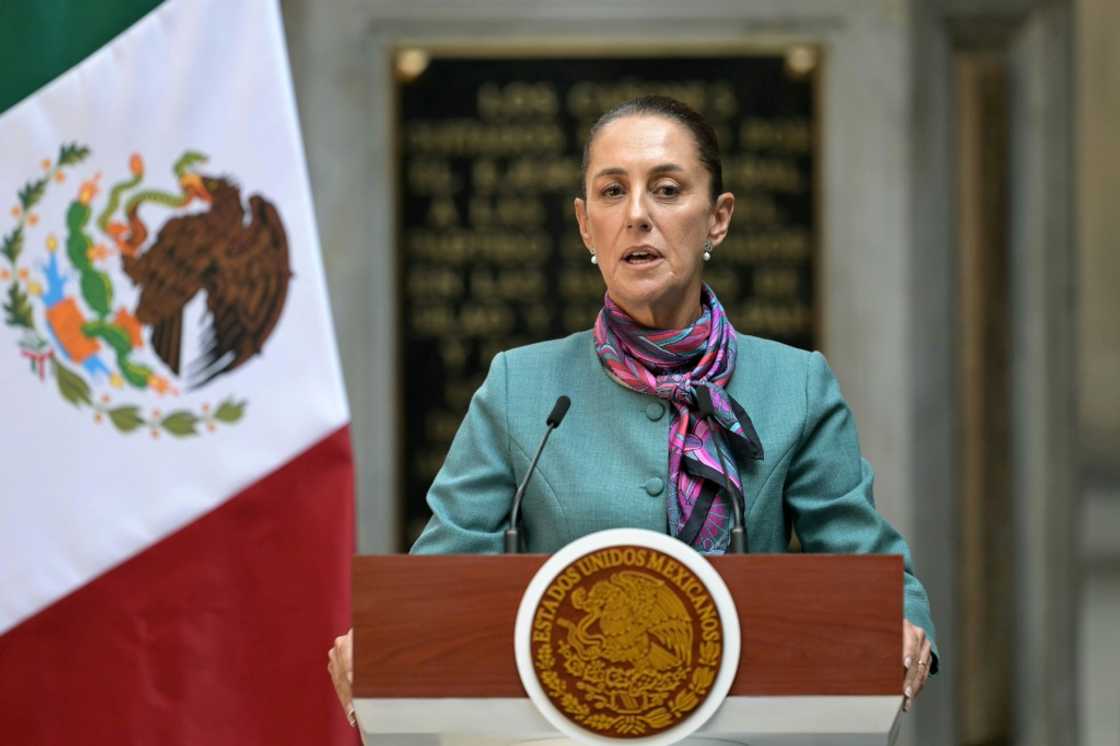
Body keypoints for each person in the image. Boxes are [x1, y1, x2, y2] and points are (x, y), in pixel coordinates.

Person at [328, 95, 938, 724]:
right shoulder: (522, 386)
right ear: (586, 224)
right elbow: (438, 582)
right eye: (612, 192)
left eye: (668, 190)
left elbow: (871, 573)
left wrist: (900, 626)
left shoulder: (796, 385)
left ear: (719, 219)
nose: (638, 215)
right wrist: (386, 640)